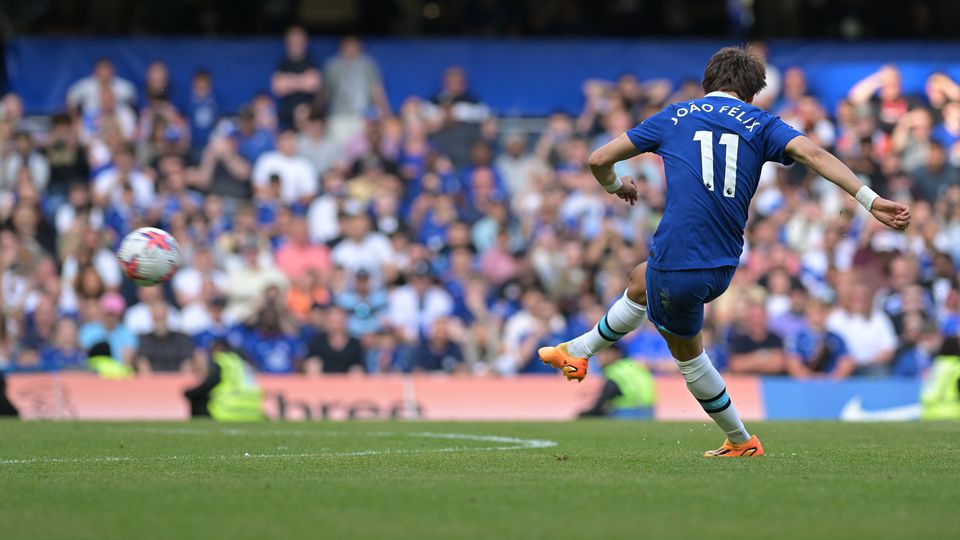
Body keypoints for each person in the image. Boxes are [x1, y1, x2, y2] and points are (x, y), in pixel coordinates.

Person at [539, 47, 911, 457]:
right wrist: (870, 200)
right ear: (752, 93)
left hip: (680, 256)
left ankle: (741, 440)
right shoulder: (763, 122)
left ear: (707, 82)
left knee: (688, 355)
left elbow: (597, 159)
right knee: (639, 279)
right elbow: (815, 154)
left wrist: (616, 186)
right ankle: (576, 352)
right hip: (724, 263)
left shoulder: (675, 115)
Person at [184, 340, 264, 421]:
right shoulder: (243, 363)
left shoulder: (224, 360)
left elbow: (209, 384)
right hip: (253, 411)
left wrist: (189, 393)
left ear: (217, 349)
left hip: (229, 410)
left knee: (197, 398)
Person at [578, 346, 656, 418]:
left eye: (603, 353)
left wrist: (587, 413)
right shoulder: (634, 365)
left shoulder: (613, 370)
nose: (599, 357)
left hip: (627, 413)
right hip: (649, 412)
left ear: (615, 354)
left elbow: (605, 397)